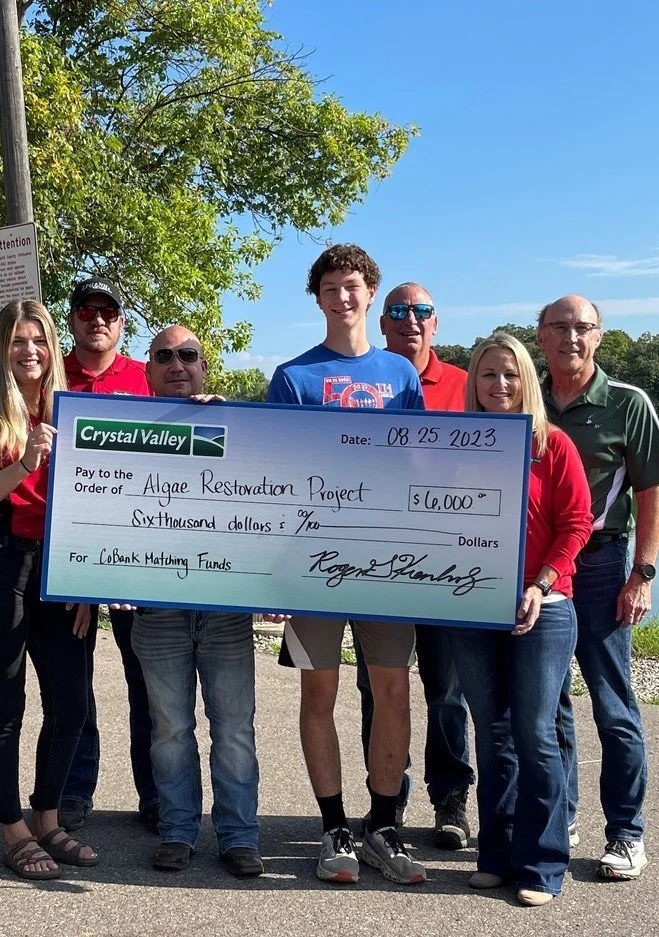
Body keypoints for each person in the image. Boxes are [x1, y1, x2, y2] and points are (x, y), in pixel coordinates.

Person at [267, 244, 427, 886]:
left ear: (370, 293)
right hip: (312, 563)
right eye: (330, 287)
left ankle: (383, 826)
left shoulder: (400, 375)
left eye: (353, 286)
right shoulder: (293, 378)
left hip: (388, 559)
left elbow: (420, 465)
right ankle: (333, 828)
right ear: (319, 298)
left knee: (392, 690)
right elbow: (270, 474)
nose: (343, 297)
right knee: (319, 692)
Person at [0, 299, 95, 880]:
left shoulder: (77, 412)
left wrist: (89, 581)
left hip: (61, 571)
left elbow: (100, 504)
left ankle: (47, 817)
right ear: (0, 349)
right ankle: (11, 829)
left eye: (39, 340)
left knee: (72, 703)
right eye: (16, 341)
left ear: (53, 348)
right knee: (6, 706)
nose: (29, 351)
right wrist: (24, 464)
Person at [446, 332, 592, 906]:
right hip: (470, 608)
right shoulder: (455, 446)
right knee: (494, 733)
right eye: (487, 375)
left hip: (544, 608)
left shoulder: (552, 446)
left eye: (509, 374)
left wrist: (540, 584)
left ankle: (544, 863)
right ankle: (497, 854)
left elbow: (577, 526)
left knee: (536, 734)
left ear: (525, 380)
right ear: (473, 384)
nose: (499, 385)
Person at [538, 295, 659, 881]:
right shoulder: (523, 396)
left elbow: (652, 492)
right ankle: (562, 814)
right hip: (536, 568)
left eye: (583, 327)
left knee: (612, 704)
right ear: (540, 335)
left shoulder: (627, 404)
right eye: (560, 327)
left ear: (599, 336)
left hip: (598, 563)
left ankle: (625, 832)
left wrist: (641, 575)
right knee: (549, 704)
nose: (572, 336)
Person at [125, 326, 263, 878]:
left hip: (225, 606)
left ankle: (238, 835)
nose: (177, 364)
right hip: (156, 609)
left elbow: (272, 499)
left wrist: (233, 422)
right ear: (149, 368)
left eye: (189, 356)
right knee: (170, 729)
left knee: (233, 727)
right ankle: (178, 830)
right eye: (165, 356)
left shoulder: (238, 426)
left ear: (205, 367)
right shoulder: (121, 430)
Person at [353, 281, 475, 849]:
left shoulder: (467, 385)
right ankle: (387, 802)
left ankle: (451, 800)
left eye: (421, 311)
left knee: (446, 691)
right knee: (379, 689)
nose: (410, 320)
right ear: (382, 323)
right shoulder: (365, 380)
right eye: (398, 311)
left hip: (448, 567)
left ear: (436, 321)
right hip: (377, 563)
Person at [58, 276, 160, 834]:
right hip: (66, 550)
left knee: (146, 680)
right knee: (74, 684)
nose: (98, 320)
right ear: (72, 319)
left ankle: (154, 792)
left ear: (122, 323)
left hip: (134, 552)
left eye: (109, 312)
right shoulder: (48, 376)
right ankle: (74, 790)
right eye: (87, 310)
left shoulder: (147, 380)